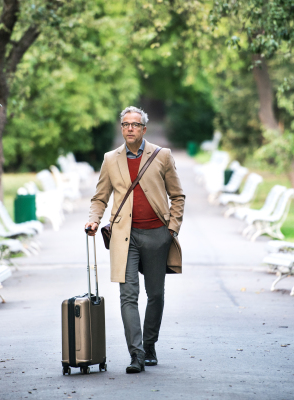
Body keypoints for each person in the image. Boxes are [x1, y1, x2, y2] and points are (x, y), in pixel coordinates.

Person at [85, 106, 185, 373]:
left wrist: (171, 230)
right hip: (124, 237)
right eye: (125, 124)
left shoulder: (162, 156)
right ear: (121, 128)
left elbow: (178, 195)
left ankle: (150, 345)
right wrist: (94, 219)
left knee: (155, 295)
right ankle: (136, 354)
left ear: (143, 129)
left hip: (157, 236)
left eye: (135, 124)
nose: (129, 128)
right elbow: (100, 197)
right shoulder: (110, 159)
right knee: (127, 296)